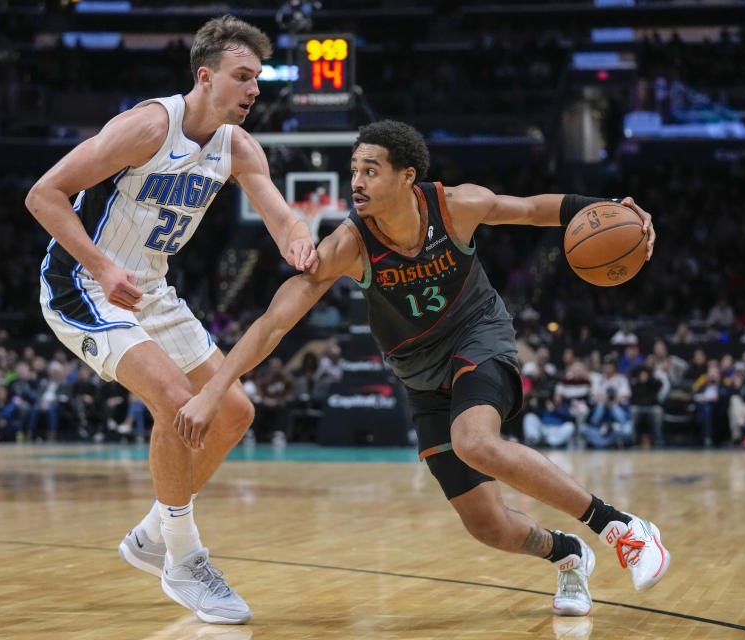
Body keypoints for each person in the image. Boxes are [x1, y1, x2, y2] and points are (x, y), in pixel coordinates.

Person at [176, 121, 669, 618]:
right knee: (487, 526)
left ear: (408, 176)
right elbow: (271, 326)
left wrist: (611, 208)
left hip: (478, 334)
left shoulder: (456, 205)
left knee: (474, 441)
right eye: (354, 171)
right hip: (421, 374)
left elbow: (534, 208)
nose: (357, 182)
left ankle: (621, 528)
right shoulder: (349, 244)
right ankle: (566, 554)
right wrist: (213, 391)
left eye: (371, 170)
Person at [24, 15, 319, 624]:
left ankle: (156, 529)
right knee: (175, 398)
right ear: (205, 77)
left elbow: (280, 214)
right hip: (85, 282)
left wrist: (298, 242)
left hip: (151, 288)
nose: (254, 90)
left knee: (234, 410)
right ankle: (184, 560)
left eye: (257, 79)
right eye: (243, 77)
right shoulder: (147, 127)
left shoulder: (239, 146)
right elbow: (43, 194)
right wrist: (103, 267)